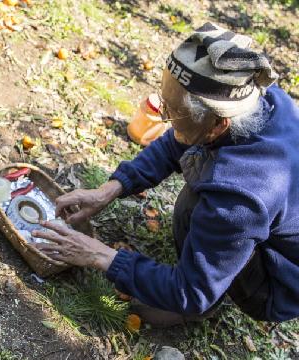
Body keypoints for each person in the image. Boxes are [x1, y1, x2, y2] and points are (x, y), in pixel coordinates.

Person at [31, 22, 299, 326]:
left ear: (218, 125)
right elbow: (180, 140)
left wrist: (100, 255)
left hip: (282, 285)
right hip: (267, 217)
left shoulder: (238, 198)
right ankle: (221, 261)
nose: (166, 120)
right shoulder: (253, 96)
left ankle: (209, 300)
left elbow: (191, 290)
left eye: (173, 114)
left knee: (193, 205)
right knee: (198, 187)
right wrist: (111, 189)